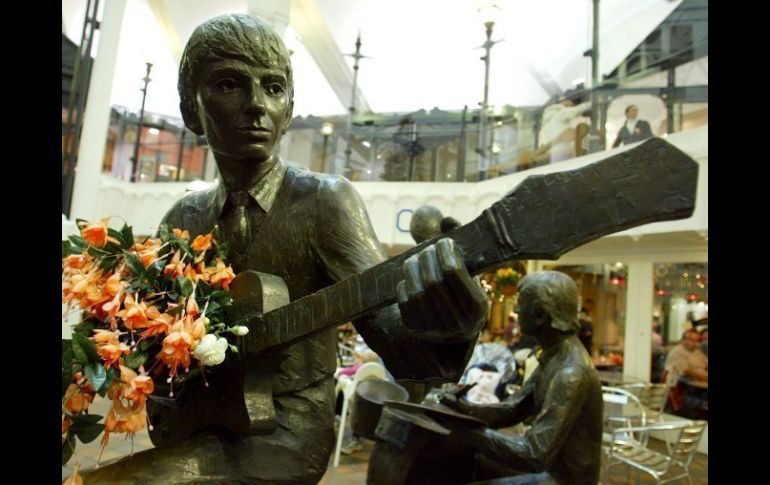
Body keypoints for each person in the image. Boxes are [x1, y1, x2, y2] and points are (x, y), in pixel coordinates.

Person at [82, 14, 487, 484]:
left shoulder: (324, 202)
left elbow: (405, 352)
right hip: (197, 419)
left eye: (273, 88)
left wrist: (457, 325)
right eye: (230, 84)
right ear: (191, 110)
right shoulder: (183, 218)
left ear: (289, 109)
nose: (257, 106)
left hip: (282, 430)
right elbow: (152, 338)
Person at [442, 271, 602, 485]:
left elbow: (534, 454)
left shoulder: (570, 372)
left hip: (564, 480)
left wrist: (470, 433)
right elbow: (514, 408)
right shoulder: (555, 356)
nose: (516, 310)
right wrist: (464, 410)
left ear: (540, 315)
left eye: (521, 303)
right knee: (463, 463)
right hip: (552, 471)